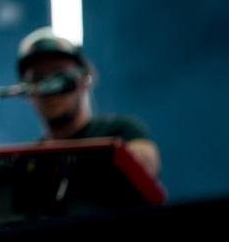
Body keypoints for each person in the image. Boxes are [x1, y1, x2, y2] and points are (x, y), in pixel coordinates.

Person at [17, 27, 161, 178]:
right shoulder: (27, 161)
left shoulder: (122, 132)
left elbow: (145, 172)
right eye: (37, 78)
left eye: (60, 75)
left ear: (85, 79)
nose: (50, 87)